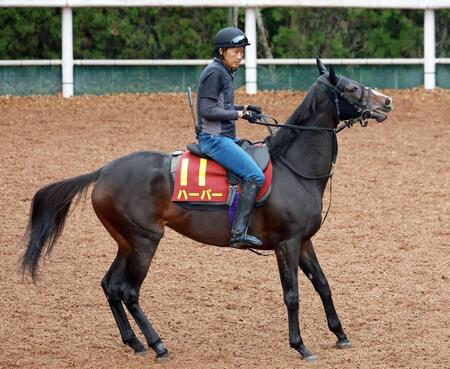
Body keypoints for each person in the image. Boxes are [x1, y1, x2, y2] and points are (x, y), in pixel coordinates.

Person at [196, 27, 265, 248]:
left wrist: (244, 107)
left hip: (225, 137)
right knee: (255, 176)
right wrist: (239, 113)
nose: (240, 56)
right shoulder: (215, 72)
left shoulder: (224, 71)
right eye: (235, 51)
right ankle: (238, 233)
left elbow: (221, 106)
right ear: (222, 51)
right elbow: (207, 110)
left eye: (242, 52)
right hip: (214, 139)